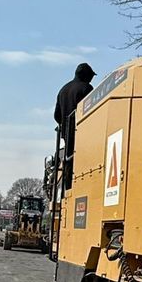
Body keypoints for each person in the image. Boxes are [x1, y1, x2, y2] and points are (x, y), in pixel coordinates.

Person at [54, 62, 97, 190]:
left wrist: (64, 124)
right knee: (83, 161)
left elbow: (56, 115)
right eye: (91, 76)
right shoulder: (86, 88)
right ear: (86, 76)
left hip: (67, 133)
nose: (91, 79)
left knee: (68, 161)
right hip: (81, 133)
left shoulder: (63, 90)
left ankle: (67, 188)